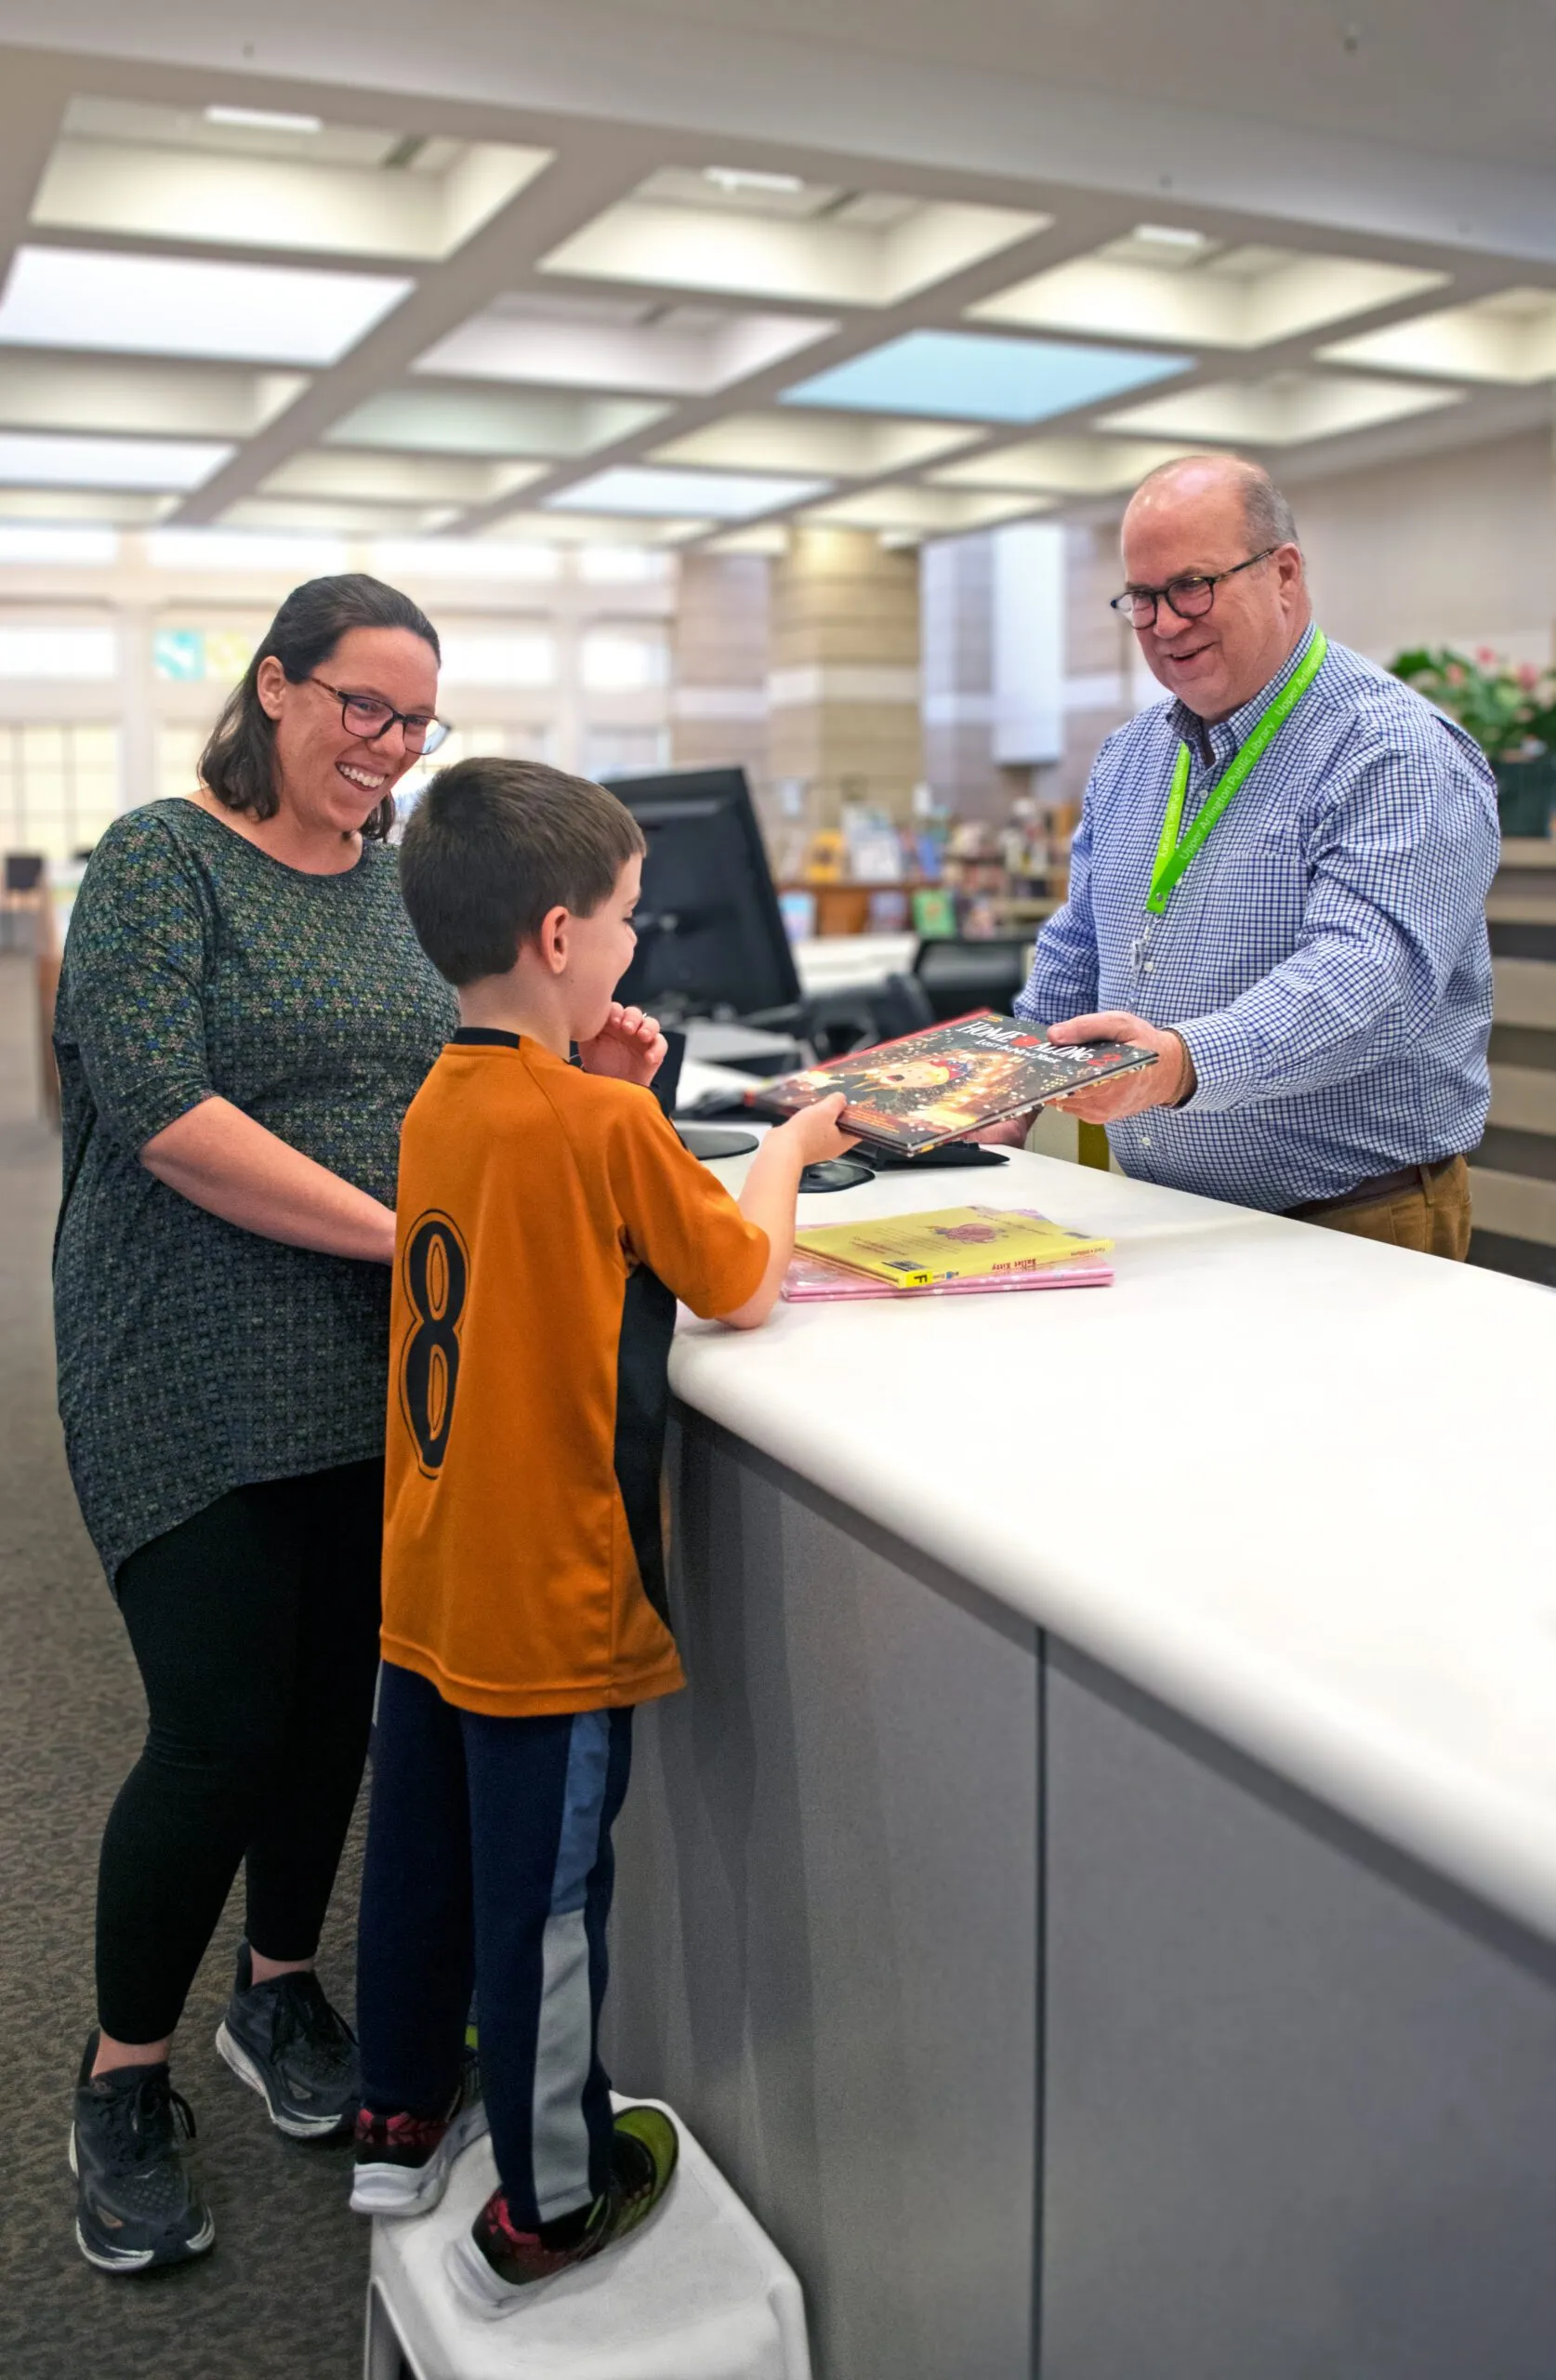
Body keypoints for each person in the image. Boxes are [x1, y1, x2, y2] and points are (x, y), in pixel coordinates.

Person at [349, 758, 854, 2305]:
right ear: (560, 938)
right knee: (547, 1903)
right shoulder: (600, 1129)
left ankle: (390, 2118)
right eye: (628, 921)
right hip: (545, 1603)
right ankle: (550, 2198)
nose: (641, 946)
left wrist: (610, 1092)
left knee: (422, 1862)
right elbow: (738, 1279)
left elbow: (543, 1214)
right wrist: (783, 1151)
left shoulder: (445, 1100)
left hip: (431, 1573)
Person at [989, 455, 1497, 1256]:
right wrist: (1002, 1090)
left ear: (1284, 574)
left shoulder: (1393, 753)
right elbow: (1081, 942)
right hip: (1159, 1212)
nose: (1164, 623)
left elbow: (1365, 977)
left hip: (1351, 1225)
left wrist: (1181, 1065)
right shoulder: (1131, 757)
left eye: (1192, 586)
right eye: (1143, 598)